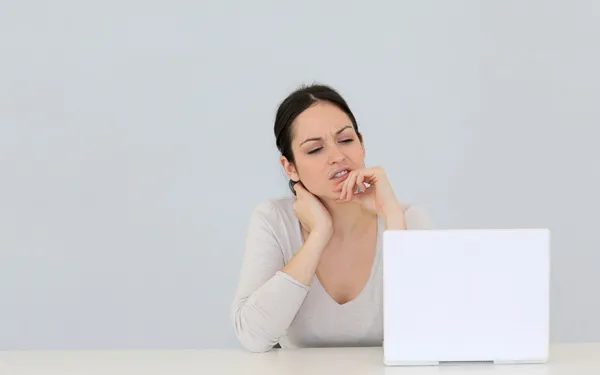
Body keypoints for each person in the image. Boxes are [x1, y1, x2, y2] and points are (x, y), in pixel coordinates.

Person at [231, 84, 430, 353]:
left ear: (362, 145)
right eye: (315, 149)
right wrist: (319, 235)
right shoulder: (274, 219)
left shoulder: (405, 218)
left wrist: (392, 217)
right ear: (290, 167)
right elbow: (254, 337)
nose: (337, 156)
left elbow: (424, 330)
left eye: (346, 140)